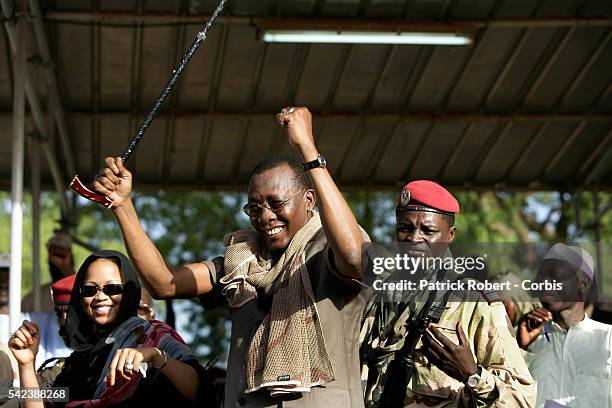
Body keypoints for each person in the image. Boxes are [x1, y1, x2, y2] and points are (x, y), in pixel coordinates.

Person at [93, 107, 367, 407]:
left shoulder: (328, 248)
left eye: (276, 204)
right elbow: (165, 284)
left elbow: (353, 255)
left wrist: (307, 148)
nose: (265, 217)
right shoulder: (242, 260)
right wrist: (123, 207)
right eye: (254, 207)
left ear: (309, 200)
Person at [360, 180, 536, 407]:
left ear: (450, 235)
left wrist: (471, 374)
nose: (414, 239)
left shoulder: (474, 302)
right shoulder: (384, 298)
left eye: (428, 230)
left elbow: (522, 400)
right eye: (405, 228)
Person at [9, 250, 214, 407]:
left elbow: (201, 392)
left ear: (130, 292)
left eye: (112, 288)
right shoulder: (78, 361)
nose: (100, 297)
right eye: (90, 290)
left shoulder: (155, 338)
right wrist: (26, 364)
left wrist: (157, 357)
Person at [517, 243, 612, 408]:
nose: (545, 282)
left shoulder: (608, 338)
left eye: (555, 276)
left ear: (582, 284)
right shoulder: (528, 340)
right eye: (541, 277)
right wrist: (521, 349)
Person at [22, 232, 75, 313]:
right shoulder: (32, 298)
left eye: (62, 255)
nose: (57, 262)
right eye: (55, 254)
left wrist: (66, 269)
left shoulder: (84, 291)